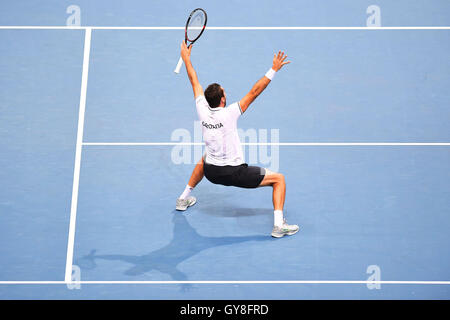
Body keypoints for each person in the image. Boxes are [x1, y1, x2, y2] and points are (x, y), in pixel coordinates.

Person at [175, 41, 298, 238]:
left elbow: (193, 79)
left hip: (212, 172)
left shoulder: (201, 108)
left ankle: (183, 198)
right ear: (223, 99)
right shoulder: (230, 113)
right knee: (279, 179)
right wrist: (273, 69)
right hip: (235, 173)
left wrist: (186, 57)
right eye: (224, 91)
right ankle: (279, 226)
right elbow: (254, 92)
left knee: (204, 158)